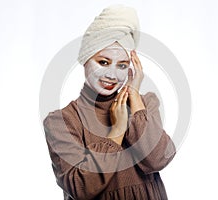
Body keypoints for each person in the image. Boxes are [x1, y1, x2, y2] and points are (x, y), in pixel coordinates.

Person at [43, 5, 176, 200]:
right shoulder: (62, 120)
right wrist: (117, 132)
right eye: (103, 62)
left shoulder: (145, 104)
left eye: (122, 65)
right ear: (86, 59)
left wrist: (134, 97)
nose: (112, 75)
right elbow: (80, 188)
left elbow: (156, 160)